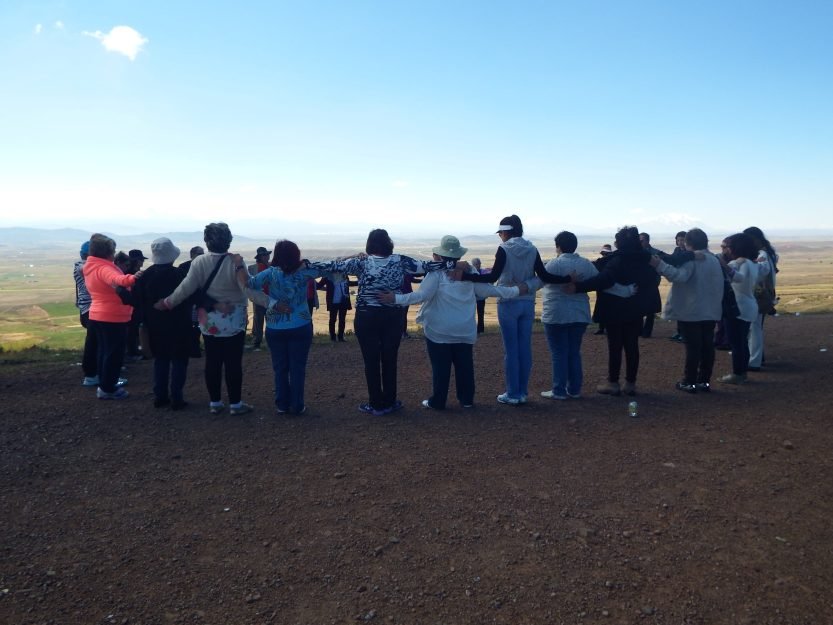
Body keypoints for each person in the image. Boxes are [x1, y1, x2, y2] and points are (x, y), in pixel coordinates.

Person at [380, 235, 525, 410]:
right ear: (458, 255)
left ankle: (438, 401)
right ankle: (467, 400)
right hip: (464, 329)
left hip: (438, 330)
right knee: (465, 366)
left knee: (440, 368)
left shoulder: (437, 274)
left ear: (440, 256)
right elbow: (489, 290)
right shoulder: (470, 272)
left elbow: (420, 296)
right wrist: (517, 290)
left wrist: (394, 298)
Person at [309, 228, 444, 416]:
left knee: (370, 360)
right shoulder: (400, 260)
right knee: (390, 358)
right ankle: (390, 401)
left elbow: (332, 265)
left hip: (366, 316)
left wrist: (304, 264)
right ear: (389, 243)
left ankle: (376, 404)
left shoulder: (361, 262)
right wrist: (454, 265)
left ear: (369, 244)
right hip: (393, 315)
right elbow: (428, 266)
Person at [461, 215, 570, 405]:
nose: (500, 237)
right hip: (527, 302)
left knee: (511, 350)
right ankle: (522, 392)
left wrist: (465, 277)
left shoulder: (504, 249)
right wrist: (567, 279)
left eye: (501, 233)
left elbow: (492, 277)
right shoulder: (532, 248)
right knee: (524, 348)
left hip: (508, 302)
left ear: (505, 232)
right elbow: (544, 275)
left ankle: (512, 393)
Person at [156, 222, 262, 416]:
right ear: (228, 240)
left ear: (207, 241)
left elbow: (186, 288)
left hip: (209, 319)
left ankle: (215, 402)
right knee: (233, 362)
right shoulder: (236, 262)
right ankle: (236, 405)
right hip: (234, 319)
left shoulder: (199, 262)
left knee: (212, 361)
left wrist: (168, 302)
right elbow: (246, 288)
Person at [570, 226, 661, 397]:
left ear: (619, 243)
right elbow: (653, 279)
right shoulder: (646, 260)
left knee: (615, 345)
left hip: (614, 310)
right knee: (632, 345)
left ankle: (613, 383)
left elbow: (603, 280)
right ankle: (631, 384)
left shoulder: (616, 261)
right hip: (636, 309)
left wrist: (577, 287)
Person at [246, 240, 330, 415]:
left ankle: (282, 404)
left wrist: (272, 303)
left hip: (275, 328)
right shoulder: (306, 271)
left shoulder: (270, 273)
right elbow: (330, 268)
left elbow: (250, 285)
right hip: (301, 325)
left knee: (280, 368)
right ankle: (297, 405)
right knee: (297, 367)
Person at [650, 228, 724, 393]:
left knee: (693, 347)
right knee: (707, 346)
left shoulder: (693, 260)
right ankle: (704, 381)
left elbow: (679, 276)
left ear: (687, 243)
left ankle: (689, 381)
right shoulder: (714, 259)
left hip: (692, 311)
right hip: (710, 310)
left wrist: (659, 265)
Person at [539, 232, 601, 400]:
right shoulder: (586, 264)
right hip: (579, 314)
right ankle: (574, 389)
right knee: (574, 352)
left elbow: (539, 282)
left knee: (559, 353)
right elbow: (600, 281)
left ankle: (558, 390)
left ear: (558, 246)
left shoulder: (553, 265)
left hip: (555, 314)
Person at [82, 233, 143, 400]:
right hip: (112, 317)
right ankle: (108, 388)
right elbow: (118, 279)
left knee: (104, 352)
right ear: (107, 252)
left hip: (97, 314)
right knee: (113, 354)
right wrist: (134, 277)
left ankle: (105, 383)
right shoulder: (104, 268)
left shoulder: (91, 266)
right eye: (113, 249)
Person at [134, 238, 192, 409]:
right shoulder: (179, 275)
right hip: (179, 326)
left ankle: (160, 396)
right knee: (180, 361)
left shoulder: (145, 276)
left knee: (161, 360)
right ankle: (177, 398)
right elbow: (190, 295)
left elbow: (136, 299)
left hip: (155, 327)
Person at [716, 233, 760, 384]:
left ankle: (738, 374)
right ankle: (742, 373)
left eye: (727, 247)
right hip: (746, 306)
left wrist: (723, 265)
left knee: (737, 343)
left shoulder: (743, 264)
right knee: (741, 342)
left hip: (739, 307)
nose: (725, 250)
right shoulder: (751, 263)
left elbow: (739, 278)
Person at [744, 226, 779, 371]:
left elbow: (761, 271)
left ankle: (754, 361)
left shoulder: (762, 254)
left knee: (754, 328)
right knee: (756, 327)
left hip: (759, 294)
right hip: (764, 294)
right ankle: (758, 357)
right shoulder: (768, 252)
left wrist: (750, 264)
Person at [74, 240, 99, 387]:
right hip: (89, 309)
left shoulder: (83, 266)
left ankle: (97, 373)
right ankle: (92, 375)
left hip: (89, 309)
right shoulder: (81, 266)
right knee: (94, 342)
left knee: (96, 342)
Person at [178, 246, 205, 358]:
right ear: (192, 255)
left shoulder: (206, 266)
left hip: (202, 301)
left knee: (201, 326)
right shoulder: (184, 267)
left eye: (203, 253)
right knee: (192, 326)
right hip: (190, 302)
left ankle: (196, 348)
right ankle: (193, 349)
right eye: (199, 254)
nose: (202, 256)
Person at [317, 274, 356, 342]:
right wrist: (326, 289)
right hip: (333, 302)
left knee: (342, 320)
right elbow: (318, 285)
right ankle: (333, 337)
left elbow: (349, 284)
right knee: (332, 320)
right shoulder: (328, 276)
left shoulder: (345, 275)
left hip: (344, 301)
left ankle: (341, 337)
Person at [125, 249, 148, 360]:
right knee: (132, 329)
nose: (142, 262)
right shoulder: (130, 274)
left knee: (134, 329)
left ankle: (135, 350)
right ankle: (132, 352)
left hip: (137, 305)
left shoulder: (130, 272)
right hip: (132, 306)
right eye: (141, 260)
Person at [639, 232, 662, 338]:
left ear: (647, 241)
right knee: (638, 308)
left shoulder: (655, 253)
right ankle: (638, 330)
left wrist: (655, 282)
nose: (640, 242)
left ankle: (647, 332)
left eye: (642, 240)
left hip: (651, 285)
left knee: (650, 310)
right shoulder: (636, 253)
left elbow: (659, 269)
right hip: (639, 285)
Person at [247, 246, 271, 350]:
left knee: (270, 321)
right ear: (260, 257)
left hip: (270, 298)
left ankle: (270, 342)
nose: (267, 256)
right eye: (265, 255)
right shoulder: (252, 268)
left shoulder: (272, 267)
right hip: (259, 299)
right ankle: (257, 342)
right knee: (258, 320)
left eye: (267, 254)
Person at [471, 257, 490, 334]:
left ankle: (481, 330)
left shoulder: (483, 272)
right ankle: (472, 330)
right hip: (472, 297)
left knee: (481, 313)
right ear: (473, 265)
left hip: (481, 297)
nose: (478, 265)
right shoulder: (470, 273)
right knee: (471, 314)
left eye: (479, 263)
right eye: (476, 264)